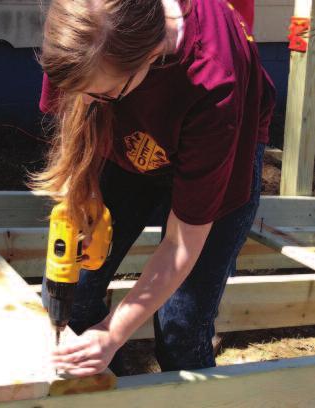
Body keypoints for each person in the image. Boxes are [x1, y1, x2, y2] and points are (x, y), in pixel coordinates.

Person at [35, 0, 276, 376]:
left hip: (226, 139)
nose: (83, 101)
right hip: (135, 123)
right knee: (76, 291)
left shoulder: (214, 82)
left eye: (99, 95)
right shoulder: (81, 26)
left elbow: (182, 244)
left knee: (180, 326)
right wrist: (81, 193)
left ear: (151, 55)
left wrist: (115, 331)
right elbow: (76, 116)